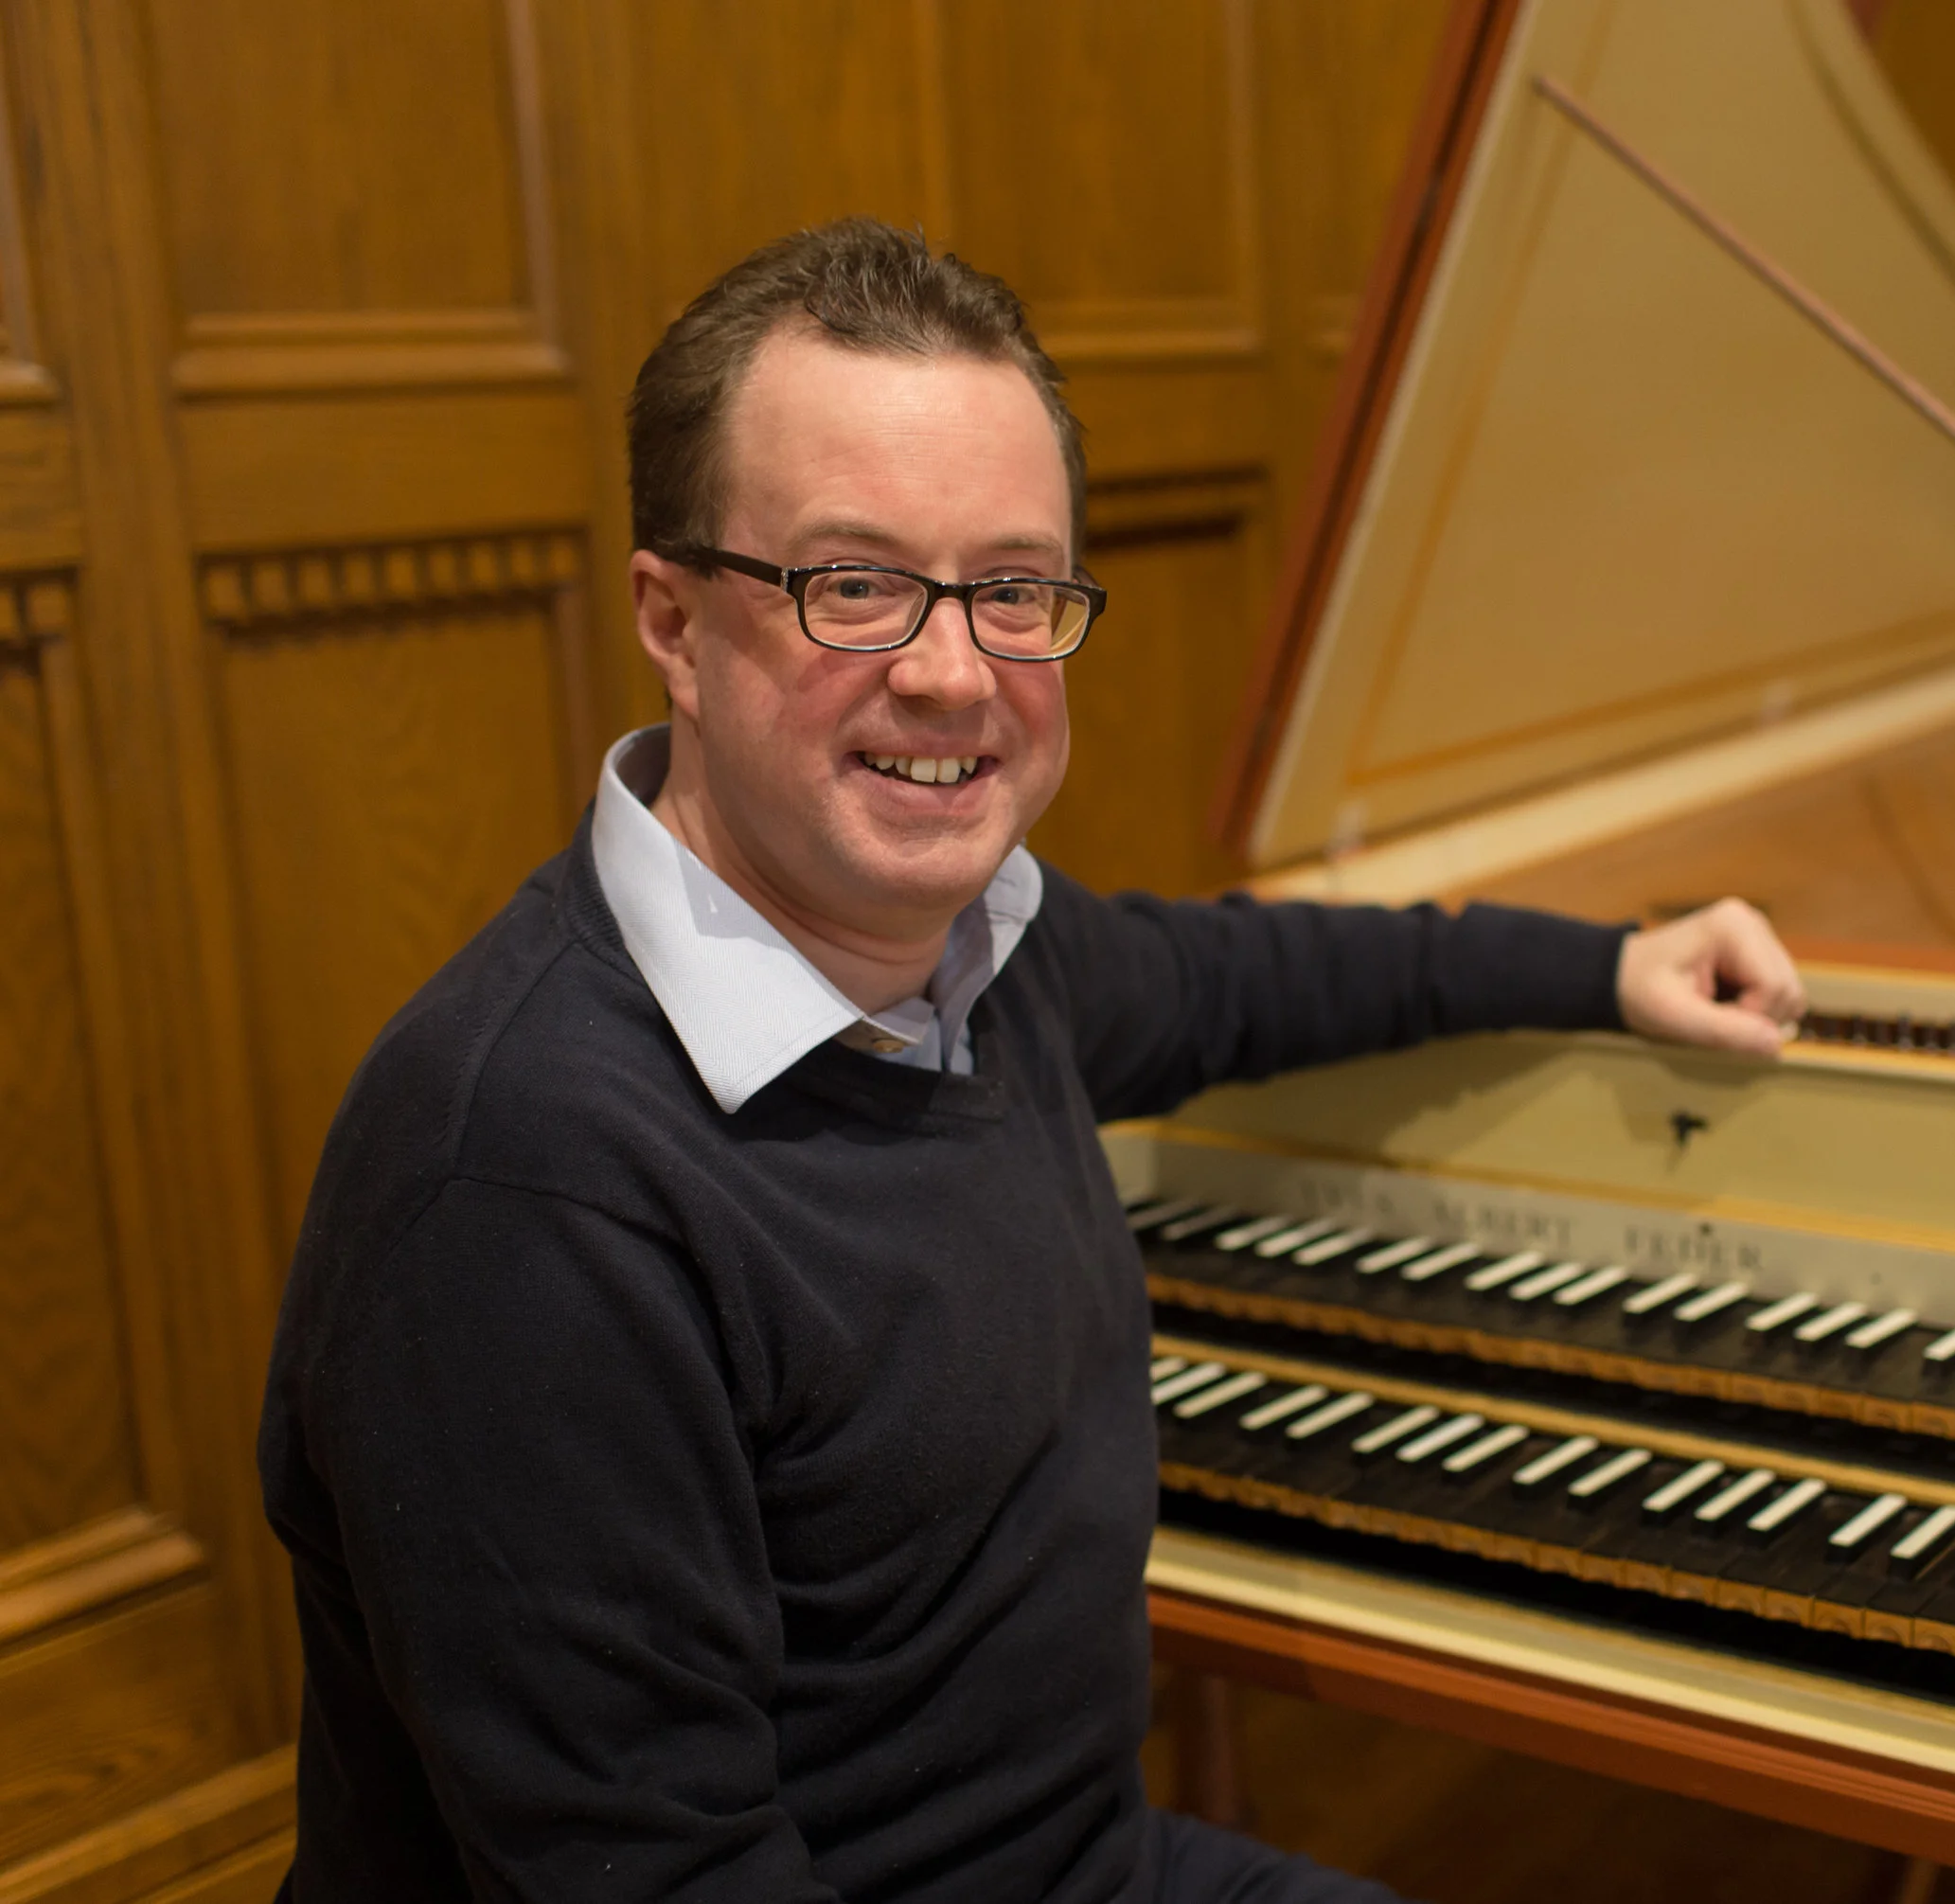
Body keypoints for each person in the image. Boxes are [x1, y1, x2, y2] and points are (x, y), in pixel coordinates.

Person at [258, 218, 1803, 1904]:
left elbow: (1238, 975)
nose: (949, 672)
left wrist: (1600, 963)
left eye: (1011, 588)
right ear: (675, 621)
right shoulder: (520, 1187)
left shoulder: (987, 959)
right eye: (852, 584)